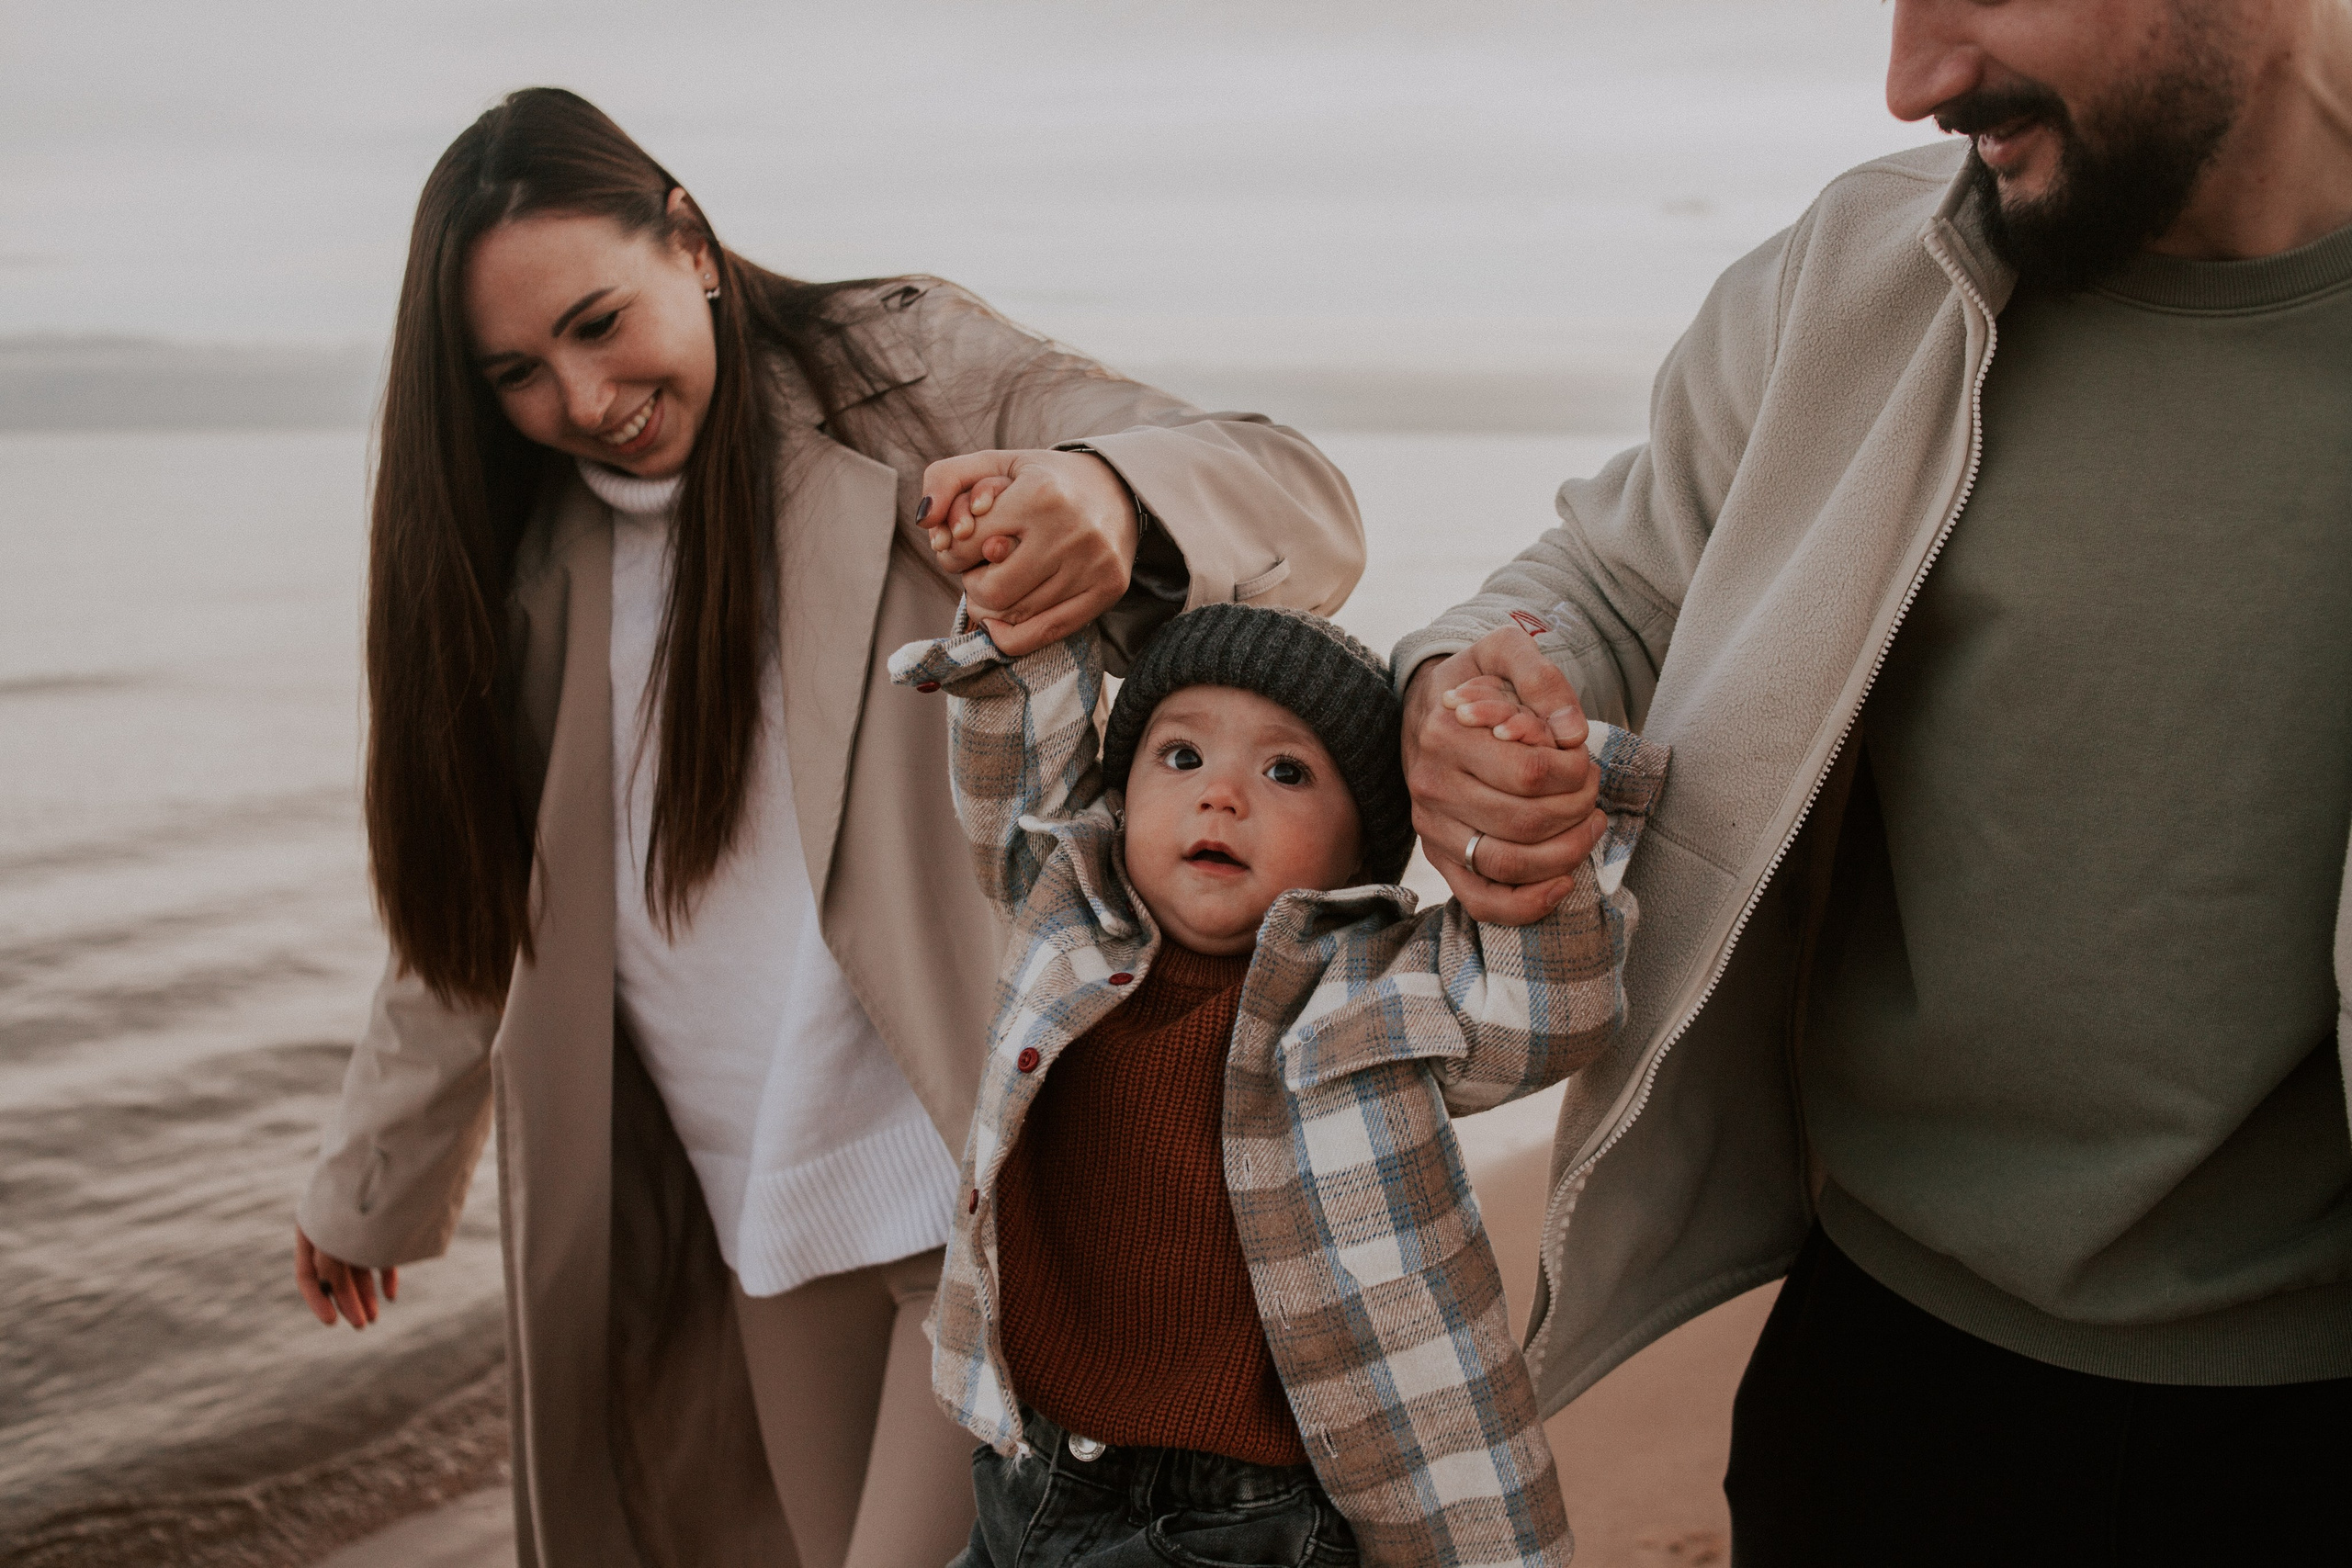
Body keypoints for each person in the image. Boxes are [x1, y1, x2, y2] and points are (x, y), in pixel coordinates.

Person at [287, 87, 1364, 1568]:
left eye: (600, 322)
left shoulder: (898, 375)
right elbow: (474, 902)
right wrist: (372, 1176)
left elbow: (1298, 499)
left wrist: (1108, 493)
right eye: (517, 372)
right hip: (760, 1213)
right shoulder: (529, 554)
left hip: (980, 1190)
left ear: (690, 243)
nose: (585, 397)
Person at [1393, 1, 2352, 1561]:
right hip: (1886, 1375)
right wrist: (1471, 685)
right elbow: (1611, 583)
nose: (1913, 81)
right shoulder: (1863, 272)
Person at [888, 600, 1667, 1567]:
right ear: (1120, 799)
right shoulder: (1066, 909)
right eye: (1181, 757)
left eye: (1286, 772)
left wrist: (1532, 808)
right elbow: (1015, 756)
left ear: (1363, 848)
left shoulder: (1377, 985)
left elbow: (1550, 1009)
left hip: (1246, 1520)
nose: (1220, 795)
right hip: (1032, 1467)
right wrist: (1017, 616)